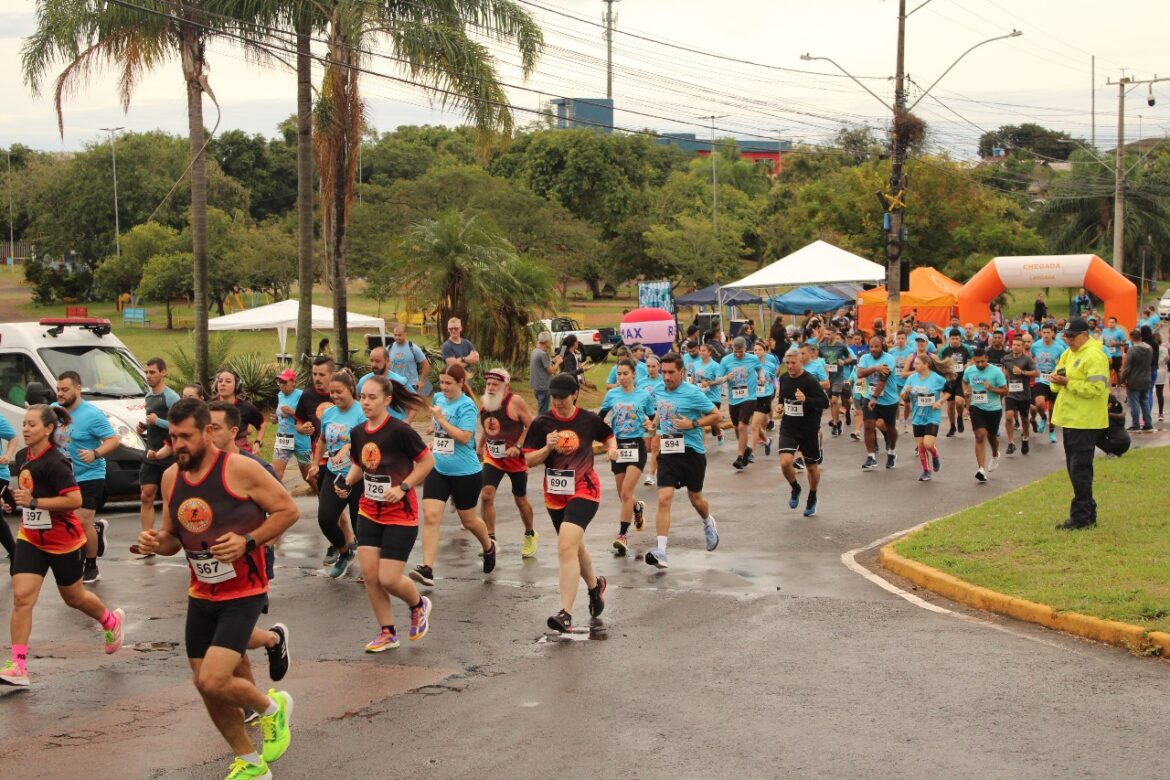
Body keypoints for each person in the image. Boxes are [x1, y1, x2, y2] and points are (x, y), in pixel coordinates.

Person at [135, 398, 297, 779]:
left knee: (214, 678)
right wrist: (154, 543)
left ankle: (274, 709)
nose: (178, 445)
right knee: (204, 685)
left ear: (208, 432)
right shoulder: (171, 477)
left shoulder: (240, 469)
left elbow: (288, 510)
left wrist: (248, 542)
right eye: (173, 437)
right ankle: (250, 761)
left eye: (185, 437)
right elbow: (173, 538)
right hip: (201, 592)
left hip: (244, 590)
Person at [0, 405, 125, 688]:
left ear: (48, 429)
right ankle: (18, 665)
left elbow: (74, 500)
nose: (26, 428)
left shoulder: (57, 461)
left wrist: (34, 503)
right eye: (25, 424)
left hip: (62, 541)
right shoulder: (22, 456)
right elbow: (27, 491)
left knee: (75, 598)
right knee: (22, 597)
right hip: (31, 537)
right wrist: (12, 499)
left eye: (32, 425)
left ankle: (109, 621)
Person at [342, 375, 434, 653]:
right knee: (370, 576)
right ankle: (387, 632)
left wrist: (404, 486)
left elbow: (427, 462)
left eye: (372, 397)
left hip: (400, 515)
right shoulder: (358, 433)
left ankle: (418, 604)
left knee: (389, 579)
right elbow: (360, 466)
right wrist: (345, 482)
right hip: (369, 511)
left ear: (387, 400)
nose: (366, 402)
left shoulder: (399, 431)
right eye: (363, 397)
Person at [205, 401, 291, 695]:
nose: (208, 435)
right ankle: (271, 641)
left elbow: (284, 510)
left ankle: (251, 701)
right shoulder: (199, 467)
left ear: (232, 431)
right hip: (212, 564)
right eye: (205, 428)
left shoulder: (255, 467)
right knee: (220, 635)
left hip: (251, 563)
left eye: (214, 428)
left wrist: (259, 539)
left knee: (227, 637)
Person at [522, 373, 615, 633]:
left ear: (574, 394)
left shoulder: (588, 420)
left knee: (565, 547)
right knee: (574, 547)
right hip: (555, 495)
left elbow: (608, 435)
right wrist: (547, 448)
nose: (557, 401)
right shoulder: (542, 423)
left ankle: (566, 614)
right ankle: (595, 586)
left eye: (562, 397)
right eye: (554, 397)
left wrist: (612, 448)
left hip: (585, 489)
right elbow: (528, 461)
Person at [412, 364, 496, 587]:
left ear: (460, 383)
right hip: (438, 468)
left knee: (468, 521)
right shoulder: (439, 399)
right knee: (430, 515)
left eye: (449, 383)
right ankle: (427, 568)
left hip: (465, 472)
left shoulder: (467, 405)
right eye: (442, 382)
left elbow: (463, 437)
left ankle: (488, 546)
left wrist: (441, 421)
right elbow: (444, 433)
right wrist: (435, 436)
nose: (444, 387)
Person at [644, 353, 722, 569]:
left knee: (696, 499)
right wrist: (654, 425)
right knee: (664, 498)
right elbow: (662, 409)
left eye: (671, 373)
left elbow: (716, 416)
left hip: (692, 452)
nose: (666, 377)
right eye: (664, 372)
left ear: (682, 372)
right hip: (669, 451)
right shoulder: (659, 390)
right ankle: (661, 551)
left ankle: (708, 522)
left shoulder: (693, 393)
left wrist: (693, 423)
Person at [54, 371, 119, 586]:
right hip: (65, 476)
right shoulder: (54, 412)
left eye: (65, 389)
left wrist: (95, 453)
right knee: (70, 522)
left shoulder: (92, 414)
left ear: (78, 388)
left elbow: (113, 440)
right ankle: (96, 530)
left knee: (82, 522)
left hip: (91, 474)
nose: (60, 393)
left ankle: (91, 566)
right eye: (58, 389)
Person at [1049, 317, 1110, 529]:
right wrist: (1056, 381)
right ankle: (1088, 513)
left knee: (1080, 470)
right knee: (1074, 469)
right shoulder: (1069, 353)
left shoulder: (1094, 356)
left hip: (1086, 421)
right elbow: (1056, 382)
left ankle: (1081, 517)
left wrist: (1068, 382)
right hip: (1070, 419)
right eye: (1066, 336)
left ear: (1085, 334)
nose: (1068, 340)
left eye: (1072, 337)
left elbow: (1096, 389)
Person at [307, 372, 366, 578]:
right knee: (325, 519)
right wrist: (315, 464)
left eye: (338, 391)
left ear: (351, 389)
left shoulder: (361, 412)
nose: (334, 396)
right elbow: (322, 439)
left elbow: (365, 441)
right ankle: (344, 552)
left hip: (359, 476)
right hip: (334, 474)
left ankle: (368, 566)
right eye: (331, 392)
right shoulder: (329, 414)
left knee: (360, 524)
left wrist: (348, 447)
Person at [598, 358, 656, 555]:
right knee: (623, 495)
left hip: (636, 446)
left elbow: (652, 417)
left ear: (633, 375)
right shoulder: (612, 395)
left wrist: (650, 426)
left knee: (625, 493)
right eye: (618, 374)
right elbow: (599, 420)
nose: (621, 377)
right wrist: (606, 441)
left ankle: (622, 535)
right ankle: (637, 508)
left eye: (625, 374)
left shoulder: (644, 395)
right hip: (618, 447)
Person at [478, 368, 538, 558]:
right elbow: (487, 427)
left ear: (506, 386)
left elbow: (531, 425)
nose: (491, 388)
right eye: (488, 384)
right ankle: (490, 539)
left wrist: (519, 446)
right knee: (486, 495)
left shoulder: (515, 401)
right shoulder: (484, 401)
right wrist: (480, 446)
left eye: (495, 385)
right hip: (493, 458)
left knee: (520, 499)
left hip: (514, 459)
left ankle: (530, 533)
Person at [134, 357, 180, 557]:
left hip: (169, 453)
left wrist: (158, 421)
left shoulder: (171, 397)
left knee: (169, 498)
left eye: (152, 372)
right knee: (146, 495)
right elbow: (152, 421)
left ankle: (168, 537)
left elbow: (180, 425)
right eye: (146, 372)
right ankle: (147, 539)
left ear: (164, 372)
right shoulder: (148, 397)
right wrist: (144, 426)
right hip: (151, 451)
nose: (148, 376)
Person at [777, 349, 829, 516]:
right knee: (785, 463)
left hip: (808, 429)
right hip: (789, 427)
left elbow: (824, 402)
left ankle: (812, 496)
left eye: (794, 363)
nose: (790, 366)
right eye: (788, 363)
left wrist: (806, 400)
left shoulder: (809, 380)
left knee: (812, 467)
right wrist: (779, 405)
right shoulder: (783, 378)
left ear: (801, 362)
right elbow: (782, 398)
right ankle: (795, 487)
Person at [901, 353, 953, 481]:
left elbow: (949, 392)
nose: (914, 365)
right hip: (917, 417)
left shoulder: (937, 378)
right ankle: (926, 470)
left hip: (932, 416)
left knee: (928, 445)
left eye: (917, 363)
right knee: (920, 447)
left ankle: (935, 455)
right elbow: (902, 397)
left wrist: (939, 402)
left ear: (926, 365)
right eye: (915, 363)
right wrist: (906, 391)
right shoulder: (911, 378)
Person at [963, 347, 1008, 483]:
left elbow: (1005, 391)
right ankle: (981, 469)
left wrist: (991, 389)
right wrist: (966, 391)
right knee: (980, 435)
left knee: (992, 437)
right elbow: (965, 381)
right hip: (977, 407)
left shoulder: (996, 372)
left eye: (982, 362)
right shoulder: (969, 370)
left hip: (994, 409)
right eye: (977, 362)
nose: (980, 365)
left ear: (987, 359)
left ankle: (995, 454)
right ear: (973, 360)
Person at [718, 336, 763, 470]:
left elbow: (760, 369)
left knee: (743, 426)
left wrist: (761, 377)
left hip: (749, 397)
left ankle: (739, 457)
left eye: (740, 352)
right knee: (737, 428)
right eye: (735, 352)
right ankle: (745, 450)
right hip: (733, 399)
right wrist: (726, 377)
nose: (738, 354)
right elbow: (718, 378)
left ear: (745, 349)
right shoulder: (726, 360)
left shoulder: (753, 358)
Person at [294, 356, 335, 498]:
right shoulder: (307, 396)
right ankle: (339, 521)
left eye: (322, 374)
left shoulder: (342, 394)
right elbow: (298, 424)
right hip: (321, 457)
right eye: (314, 374)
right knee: (325, 497)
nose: (317, 378)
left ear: (333, 375)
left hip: (346, 456)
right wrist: (302, 428)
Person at [856, 337, 899, 471]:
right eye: (871, 347)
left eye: (876, 347)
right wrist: (875, 367)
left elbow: (882, 379)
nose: (873, 349)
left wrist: (875, 397)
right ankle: (871, 457)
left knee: (891, 428)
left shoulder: (889, 359)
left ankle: (891, 452)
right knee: (868, 426)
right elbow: (860, 373)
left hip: (888, 400)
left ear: (882, 346)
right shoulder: (865, 358)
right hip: (869, 397)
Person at [271, 368, 313, 488]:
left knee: (308, 476)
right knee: (276, 474)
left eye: (285, 382)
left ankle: (322, 496)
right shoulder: (279, 395)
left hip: (300, 440)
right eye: (280, 382)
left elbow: (309, 417)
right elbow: (281, 416)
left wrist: (293, 412)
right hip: (283, 439)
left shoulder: (302, 396)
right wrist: (275, 419)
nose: (282, 385)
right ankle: (278, 502)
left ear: (294, 382)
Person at [1002, 335, 1038, 455]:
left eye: (1018, 345)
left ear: (1023, 347)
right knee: (1008, 416)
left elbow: (1036, 373)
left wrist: (1022, 372)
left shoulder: (1027, 359)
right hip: (1011, 393)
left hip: (1024, 394)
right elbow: (1005, 370)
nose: (1015, 347)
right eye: (1014, 345)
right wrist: (1004, 379)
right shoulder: (1007, 358)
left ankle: (1025, 438)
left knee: (1024, 419)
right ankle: (1011, 443)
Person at [1031, 324, 1067, 445]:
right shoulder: (1036, 346)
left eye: (1048, 332)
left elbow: (1064, 364)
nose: (1046, 335)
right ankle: (1043, 417)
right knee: (1039, 403)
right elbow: (1030, 358)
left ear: (1053, 333)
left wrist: (1060, 376)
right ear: (1041, 333)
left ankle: (1051, 432)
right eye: (1044, 332)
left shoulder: (1059, 347)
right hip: (1040, 380)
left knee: (1052, 409)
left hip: (1053, 380)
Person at [216, 370, 266, 456]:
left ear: (237, 386)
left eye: (228, 381)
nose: (222, 384)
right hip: (216, 454)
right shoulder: (209, 406)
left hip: (240, 455)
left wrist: (257, 442)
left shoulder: (247, 407)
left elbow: (262, 423)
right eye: (220, 381)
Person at [356, 347, 412, 414]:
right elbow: (357, 400)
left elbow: (416, 403)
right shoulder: (364, 381)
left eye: (377, 361)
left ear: (387, 361)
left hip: (395, 423)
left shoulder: (400, 381)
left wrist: (407, 421)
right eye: (372, 361)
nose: (374, 364)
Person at [1121, 327, 1154, 431]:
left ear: (1131, 338)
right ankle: (1148, 423)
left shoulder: (1132, 350)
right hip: (1146, 378)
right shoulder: (1149, 348)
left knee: (1134, 402)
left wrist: (1122, 379)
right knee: (1144, 401)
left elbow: (1127, 368)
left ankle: (1135, 424)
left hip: (1134, 379)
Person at [939, 331, 971, 437]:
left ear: (960, 339)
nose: (955, 341)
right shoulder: (944, 350)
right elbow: (938, 363)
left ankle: (960, 417)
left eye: (957, 339)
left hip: (961, 380)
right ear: (949, 339)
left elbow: (973, 359)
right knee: (951, 405)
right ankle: (952, 426)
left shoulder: (966, 348)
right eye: (953, 339)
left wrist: (969, 365)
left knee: (959, 401)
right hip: (949, 380)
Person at [751, 341, 780, 453]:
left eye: (760, 350)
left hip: (766, 393)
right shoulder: (751, 364)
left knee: (761, 418)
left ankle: (762, 434)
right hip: (753, 394)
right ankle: (765, 439)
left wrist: (777, 389)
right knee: (753, 419)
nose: (757, 352)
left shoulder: (770, 365)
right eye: (755, 350)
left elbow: (774, 379)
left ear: (764, 351)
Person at [694, 343, 725, 446]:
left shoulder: (715, 365)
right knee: (701, 421)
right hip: (700, 397)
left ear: (710, 352)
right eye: (700, 350)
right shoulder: (696, 364)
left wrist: (709, 383)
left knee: (713, 422)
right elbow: (694, 380)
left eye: (704, 351)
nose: (701, 352)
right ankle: (701, 445)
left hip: (713, 397)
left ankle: (719, 432)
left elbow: (720, 380)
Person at [386, 324, 430, 394]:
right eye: (395, 335)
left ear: (405, 334)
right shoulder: (389, 348)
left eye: (399, 335)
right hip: (394, 385)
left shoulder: (413, 348)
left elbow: (426, 364)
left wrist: (421, 381)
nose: (397, 337)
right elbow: (384, 364)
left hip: (411, 385)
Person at [529, 331, 561, 416]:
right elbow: (552, 371)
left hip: (537, 386)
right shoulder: (543, 354)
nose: (551, 342)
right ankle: (540, 427)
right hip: (544, 387)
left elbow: (543, 365)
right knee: (543, 412)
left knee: (541, 408)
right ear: (546, 342)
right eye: (550, 340)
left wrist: (553, 360)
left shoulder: (535, 351)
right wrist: (558, 362)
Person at [1102, 316, 1130, 386]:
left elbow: (1125, 343)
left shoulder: (1119, 332)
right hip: (1107, 355)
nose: (1110, 324)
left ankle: (1119, 386)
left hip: (1117, 355)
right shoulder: (1104, 331)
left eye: (1112, 322)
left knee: (1118, 371)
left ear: (1116, 323)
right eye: (1109, 322)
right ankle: (1107, 387)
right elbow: (1102, 341)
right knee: (1107, 372)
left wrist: (1116, 343)